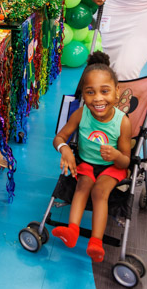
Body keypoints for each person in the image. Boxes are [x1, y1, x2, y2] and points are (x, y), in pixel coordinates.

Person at [51, 52, 132, 263]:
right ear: (83, 95)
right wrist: (65, 149)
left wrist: (115, 155)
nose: (97, 98)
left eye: (104, 91)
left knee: (99, 192)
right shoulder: (81, 113)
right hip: (87, 163)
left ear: (116, 93)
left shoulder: (122, 122)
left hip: (112, 167)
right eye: (90, 92)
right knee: (82, 186)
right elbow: (59, 137)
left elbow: (126, 161)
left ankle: (95, 242)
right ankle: (72, 231)